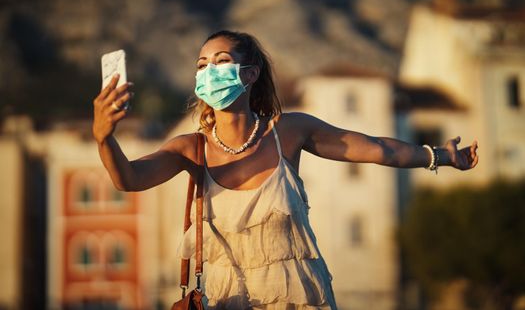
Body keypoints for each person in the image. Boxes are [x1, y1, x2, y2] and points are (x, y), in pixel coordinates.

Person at [92, 30, 479, 309]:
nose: (209, 72)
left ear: (252, 73)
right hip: (230, 302)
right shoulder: (190, 148)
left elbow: (375, 148)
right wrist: (104, 137)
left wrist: (441, 155)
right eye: (202, 65)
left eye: (222, 61)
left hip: (301, 298)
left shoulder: (289, 132)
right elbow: (128, 179)